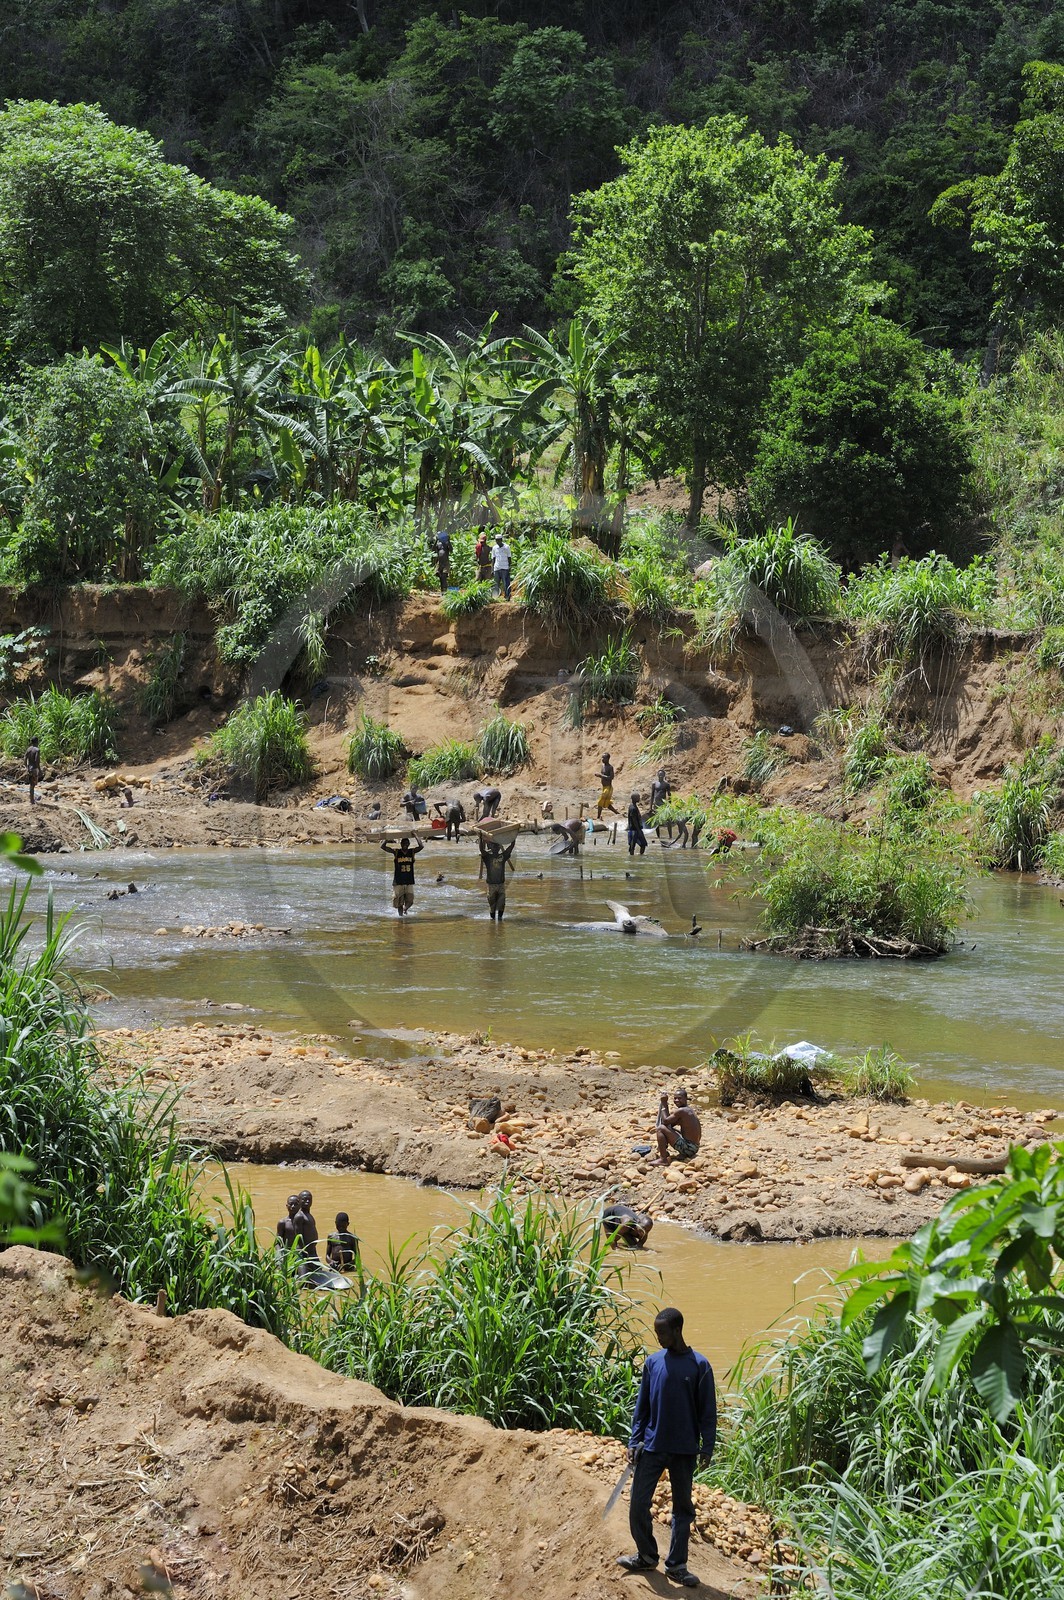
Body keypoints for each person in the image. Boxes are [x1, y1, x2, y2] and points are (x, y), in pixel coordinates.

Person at [616, 1306, 716, 1588]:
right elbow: (642, 1407)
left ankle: (677, 1566)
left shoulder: (700, 1365)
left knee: (682, 1510)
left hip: (685, 1450)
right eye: (656, 1331)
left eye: (662, 1332)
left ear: (676, 1331)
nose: (658, 1337)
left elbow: (708, 1411)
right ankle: (647, 1555)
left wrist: (707, 1445)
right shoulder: (653, 1363)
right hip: (653, 1446)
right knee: (637, 1504)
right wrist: (634, 1440)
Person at [652, 1088, 701, 1165]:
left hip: (689, 1148)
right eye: (675, 1098)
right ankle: (664, 1151)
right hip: (694, 1148)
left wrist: (664, 1103)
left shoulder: (682, 1111)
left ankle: (663, 1159)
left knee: (660, 1129)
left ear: (686, 1099)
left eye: (679, 1098)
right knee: (666, 1128)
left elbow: (665, 1121)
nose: (677, 1100)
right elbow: (668, 1124)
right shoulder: (688, 1110)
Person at [381, 833, 424, 916]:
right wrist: (388, 838)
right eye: (403, 843)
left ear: (409, 844)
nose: (405, 845)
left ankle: (405, 909)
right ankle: (401, 918)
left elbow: (421, 846)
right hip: (398, 880)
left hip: (409, 880)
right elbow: (383, 847)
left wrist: (415, 835)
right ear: (401, 844)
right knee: (399, 902)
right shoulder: (396, 852)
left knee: (410, 900)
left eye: (407, 844)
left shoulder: (412, 852)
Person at [479, 834, 515, 920]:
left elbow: (511, 846)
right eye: (493, 846)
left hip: (501, 885)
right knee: (492, 907)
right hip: (491, 886)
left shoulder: (502, 857)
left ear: (499, 848)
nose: (495, 848)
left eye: (497, 846)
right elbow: (481, 849)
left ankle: (500, 920)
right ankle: (493, 922)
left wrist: (513, 836)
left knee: (502, 905)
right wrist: (481, 839)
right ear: (490, 847)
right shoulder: (487, 857)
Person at [293, 1190, 320, 1272]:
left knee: (319, 1274)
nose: (307, 1201)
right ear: (299, 1201)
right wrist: (305, 1254)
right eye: (304, 1199)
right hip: (303, 1253)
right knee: (303, 1278)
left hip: (312, 1251)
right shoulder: (299, 1216)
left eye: (309, 1199)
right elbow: (299, 1237)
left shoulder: (309, 1215)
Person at [648, 768, 672, 837]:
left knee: (668, 820)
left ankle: (670, 836)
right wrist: (650, 807)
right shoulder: (654, 784)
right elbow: (652, 795)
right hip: (656, 804)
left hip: (663, 804)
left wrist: (669, 805)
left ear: (664, 775)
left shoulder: (666, 784)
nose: (660, 776)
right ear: (657, 775)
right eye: (659, 774)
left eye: (662, 775)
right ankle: (658, 836)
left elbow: (669, 795)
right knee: (656, 821)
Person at [596, 752, 621, 819]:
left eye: (604, 757)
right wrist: (599, 776)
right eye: (602, 757)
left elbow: (611, 777)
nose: (602, 759)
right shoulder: (603, 766)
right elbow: (603, 777)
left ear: (608, 759)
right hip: (604, 787)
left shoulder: (610, 767)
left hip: (608, 788)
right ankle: (618, 814)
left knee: (600, 802)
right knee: (607, 804)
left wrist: (601, 775)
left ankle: (598, 817)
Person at [491, 533, 512, 600]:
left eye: (499, 540)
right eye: (496, 540)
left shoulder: (506, 547)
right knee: (496, 584)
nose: (498, 541)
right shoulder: (494, 548)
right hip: (497, 568)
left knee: (506, 583)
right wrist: (492, 569)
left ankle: (507, 597)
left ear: (501, 540)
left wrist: (509, 567)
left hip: (505, 568)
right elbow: (493, 559)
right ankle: (495, 597)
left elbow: (509, 558)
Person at [627, 793, 647, 857]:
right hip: (634, 829)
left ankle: (640, 857)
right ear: (634, 798)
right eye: (638, 797)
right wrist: (638, 830)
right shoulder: (633, 808)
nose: (639, 798)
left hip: (637, 829)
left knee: (643, 844)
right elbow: (634, 820)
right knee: (632, 846)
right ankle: (632, 857)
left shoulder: (633, 806)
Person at [25, 736, 42, 805]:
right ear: (37, 742)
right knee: (32, 785)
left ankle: (31, 799)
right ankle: (32, 801)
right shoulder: (37, 750)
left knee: (31, 785)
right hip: (34, 769)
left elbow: (25, 758)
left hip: (29, 768)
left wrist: (26, 766)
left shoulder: (29, 749)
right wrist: (40, 770)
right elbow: (36, 761)